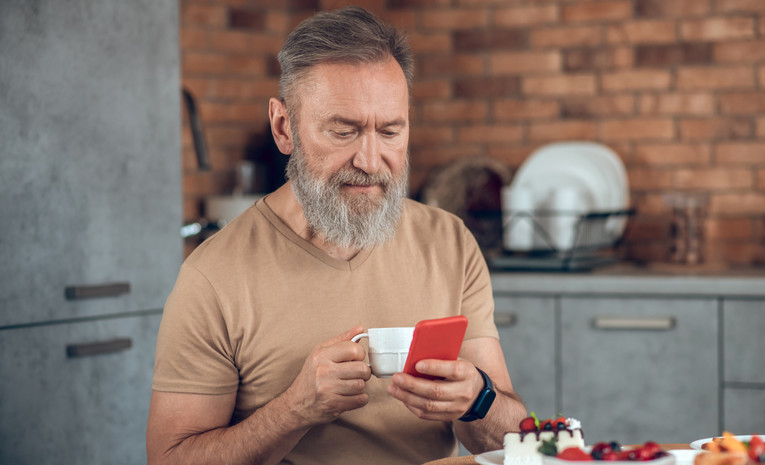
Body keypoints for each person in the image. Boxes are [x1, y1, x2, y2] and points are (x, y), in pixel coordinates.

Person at [146, 6, 527, 465]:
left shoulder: (449, 241)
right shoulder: (213, 277)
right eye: (344, 131)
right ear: (284, 127)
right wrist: (294, 410)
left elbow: (510, 440)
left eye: (390, 131)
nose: (370, 159)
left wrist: (479, 400)